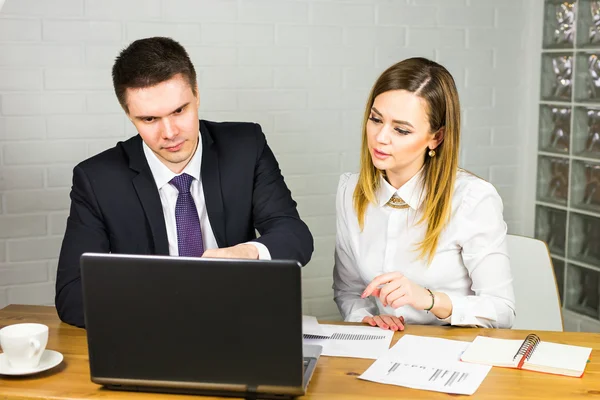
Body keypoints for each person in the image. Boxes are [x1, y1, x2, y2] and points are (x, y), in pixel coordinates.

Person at [55, 37, 313, 328]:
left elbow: (294, 235)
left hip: (240, 323)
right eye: (150, 119)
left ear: (197, 94)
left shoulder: (246, 147)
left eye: (179, 111)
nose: (170, 133)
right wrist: (168, 300)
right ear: (129, 115)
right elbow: (71, 295)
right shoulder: (97, 180)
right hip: (150, 332)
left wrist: (248, 252)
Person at [333, 58, 515, 331]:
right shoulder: (351, 191)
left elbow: (502, 311)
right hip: (386, 349)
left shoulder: (472, 199)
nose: (380, 137)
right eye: (376, 119)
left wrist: (431, 300)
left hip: (453, 352)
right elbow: (348, 292)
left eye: (401, 129)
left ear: (436, 138)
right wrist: (367, 318)